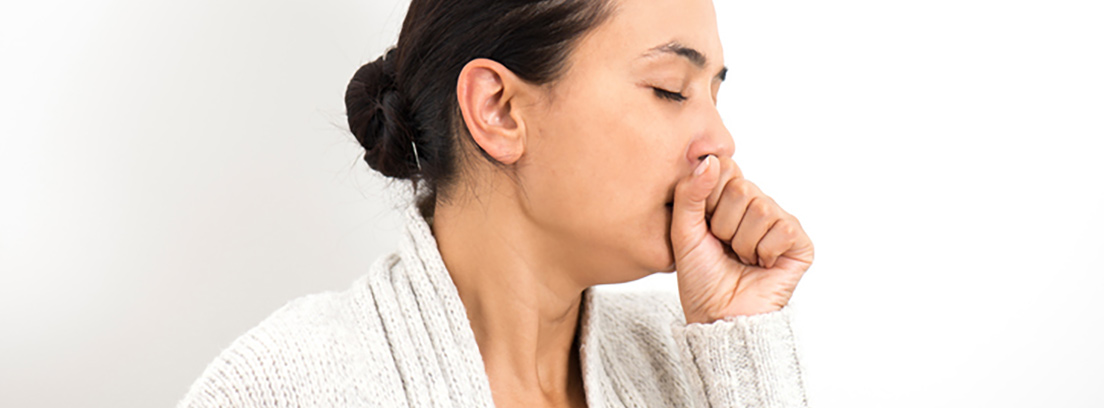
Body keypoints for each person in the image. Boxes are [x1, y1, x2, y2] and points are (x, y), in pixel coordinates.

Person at [178, 0, 815, 406]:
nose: (720, 142)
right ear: (499, 110)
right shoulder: (283, 387)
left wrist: (740, 340)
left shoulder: (695, 359)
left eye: (715, 93)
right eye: (670, 89)